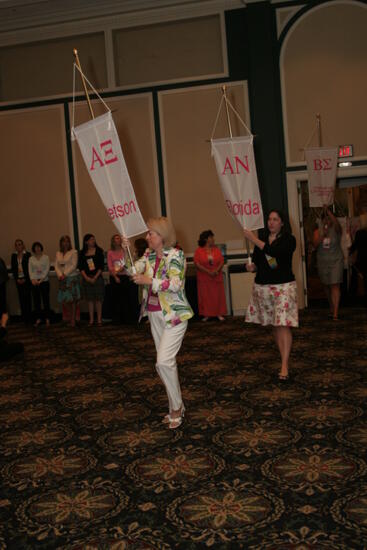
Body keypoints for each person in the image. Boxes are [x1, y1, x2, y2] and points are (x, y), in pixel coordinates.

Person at [122, 217, 193, 429]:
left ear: (161, 236)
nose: (147, 237)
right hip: (154, 315)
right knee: (165, 365)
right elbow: (131, 271)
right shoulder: (148, 255)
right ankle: (176, 405)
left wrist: (149, 281)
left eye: (150, 233)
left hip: (175, 316)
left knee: (162, 362)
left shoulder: (176, 255)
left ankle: (177, 408)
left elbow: (175, 284)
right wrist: (126, 251)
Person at [243, 210, 298, 381]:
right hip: (265, 287)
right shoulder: (263, 240)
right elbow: (265, 263)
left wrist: (253, 239)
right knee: (275, 325)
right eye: (269, 219)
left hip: (283, 287)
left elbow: (275, 254)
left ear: (282, 223)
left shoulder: (289, 240)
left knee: (283, 324)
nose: (271, 222)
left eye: (275, 219)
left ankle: (284, 364)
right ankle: (283, 357)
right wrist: (253, 267)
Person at [312, 205, 344, 320]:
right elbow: (315, 245)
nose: (328, 220)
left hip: (336, 260)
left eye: (329, 218)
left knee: (335, 284)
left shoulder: (336, 228)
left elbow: (337, 224)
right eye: (325, 218)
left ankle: (335, 313)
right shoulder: (318, 230)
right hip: (323, 261)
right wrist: (322, 234)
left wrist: (328, 211)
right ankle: (331, 306)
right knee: (326, 285)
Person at [193, 230, 227, 321]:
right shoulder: (198, 251)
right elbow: (197, 264)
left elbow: (221, 261)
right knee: (206, 297)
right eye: (211, 237)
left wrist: (216, 270)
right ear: (206, 239)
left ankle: (219, 313)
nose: (213, 239)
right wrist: (208, 272)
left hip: (216, 276)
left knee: (217, 296)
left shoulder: (216, 249)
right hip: (204, 278)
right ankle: (207, 314)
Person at [79, 233, 105, 326]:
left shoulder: (99, 251)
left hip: (97, 278)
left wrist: (94, 277)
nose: (93, 241)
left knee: (98, 300)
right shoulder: (82, 253)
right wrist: (86, 278)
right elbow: (81, 267)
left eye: (93, 239)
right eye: (90, 239)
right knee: (90, 300)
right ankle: (91, 320)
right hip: (86, 278)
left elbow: (101, 266)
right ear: (86, 242)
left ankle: (99, 320)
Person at [55, 235, 81, 327]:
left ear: (69, 243)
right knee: (64, 300)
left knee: (72, 300)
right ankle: (72, 318)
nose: (65, 243)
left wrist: (65, 274)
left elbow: (73, 265)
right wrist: (60, 275)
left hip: (71, 278)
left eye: (67, 241)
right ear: (61, 243)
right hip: (62, 278)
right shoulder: (58, 253)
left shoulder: (73, 252)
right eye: (63, 241)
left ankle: (73, 321)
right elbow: (56, 266)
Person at [29, 241, 51, 327]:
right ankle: (38, 319)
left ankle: (47, 319)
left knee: (46, 301)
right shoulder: (31, 259)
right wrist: (32, 280)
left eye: (39, 247)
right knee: (36, 302)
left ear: (41, 248)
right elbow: (30, 270)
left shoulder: (46, 257)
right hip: (34, 282)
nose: (37, 248)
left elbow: (47, 269)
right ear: (33, 249)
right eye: (35, 247)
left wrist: (41, 280)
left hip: (44, 282)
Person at [11, 239, 32, 323]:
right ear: (15, 247)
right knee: (21, 299)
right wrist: (17, 279)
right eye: (16, 245)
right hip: (18, 280)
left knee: (28, 299)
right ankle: (24, 318)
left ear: (23, 245)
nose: (18, 246)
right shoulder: (13, 256)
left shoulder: (28, 254)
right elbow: (13, 268)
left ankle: (29, 317)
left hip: (26, 280)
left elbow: (30, 268)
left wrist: (25, 278)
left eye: (20, 244)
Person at [107, 234, 127, 324]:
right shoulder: (110, 252)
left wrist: (121, 269)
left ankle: (125, 318)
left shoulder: (124, 251)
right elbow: (110, 266)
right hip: (114, 277)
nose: (118, 240)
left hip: (124, 276)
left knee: (124, 297)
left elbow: (126, 262)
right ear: (113, 241)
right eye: (116, 238)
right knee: (115, 298)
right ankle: (116, 319)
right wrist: (115, 276)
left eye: (119, 238)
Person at [349, 213, 367, 307]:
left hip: (361, 259)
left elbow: (355, 246)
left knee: (355, 278)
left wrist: (349, 251)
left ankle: (352, 299)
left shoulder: (360, 233)